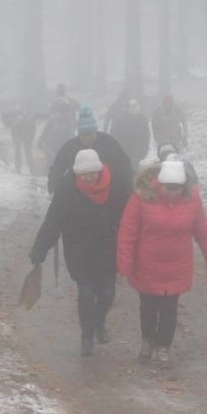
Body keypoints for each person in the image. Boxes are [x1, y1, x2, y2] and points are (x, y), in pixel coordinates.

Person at [117, 159, 207, 365]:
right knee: (148, 307)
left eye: (177, 189)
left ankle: (163, 345)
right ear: (160, 184)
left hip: (177, 265)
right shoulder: (141, 198)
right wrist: (125, 263)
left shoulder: (192, 199)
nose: (173, 193)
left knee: (169, 309)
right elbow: (128, 232)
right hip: (147, 264)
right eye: (169, 188)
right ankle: (148, 340)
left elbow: (202, 229)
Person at [29, 149, 128, 356]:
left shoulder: (117, 186)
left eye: (93, 172)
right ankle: (87, 335)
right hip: (79, 250)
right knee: (86, 294)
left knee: (107, 294)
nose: (90, 177)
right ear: (77, 174)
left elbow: (131, 217)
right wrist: (39, 250)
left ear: (99, 170)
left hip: (108, 248)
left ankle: (98, 322)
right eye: (85, 174)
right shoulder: (66, 189)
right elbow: (53, 222)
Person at [48, 105, 134, 198]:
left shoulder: (109, 143)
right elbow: (57, 169)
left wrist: (127, 187)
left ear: (96, 131)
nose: (88, 138)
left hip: (109, 192)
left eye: (91, 134)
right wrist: (54, 189)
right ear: (79, 134)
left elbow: (124, 165)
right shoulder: (70, 147)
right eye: (84, 135)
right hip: (78, 195)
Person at [108, 99, 151, 172]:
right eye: (132, 106)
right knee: (124, 170)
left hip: (137, 151)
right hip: (124, 150)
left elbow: (146, 135)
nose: (134, 109)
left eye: (136, 106)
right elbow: (113, 134)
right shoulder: (120, 119)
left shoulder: (143, 119)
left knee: (134, 170)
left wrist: (145, 149)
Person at [38, 96, 76, 173]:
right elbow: (46, 131)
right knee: (52, 161)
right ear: (58, 111)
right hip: (51, 145)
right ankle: (50, 175)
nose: (63, 114)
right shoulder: (52, 120)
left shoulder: (69, 122)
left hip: (62, 146)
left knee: (62, 163)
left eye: (65, 111)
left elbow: (71, 135)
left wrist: (72, 144)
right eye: (61, 111)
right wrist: (41, 140)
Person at [1, 110, 37, 174]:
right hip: (24, 135)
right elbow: (33, 129)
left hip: (24, 136)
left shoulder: (17, 119)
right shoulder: (26, 119)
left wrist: (15, 139)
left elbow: (14, 130)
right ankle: (30, 169)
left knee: (21, 151)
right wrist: (31, 138)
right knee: (25, 152)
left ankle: (21, 168)